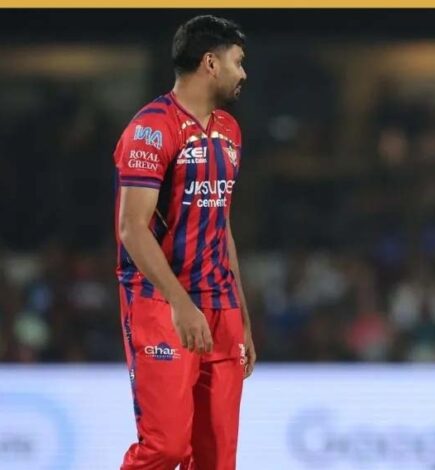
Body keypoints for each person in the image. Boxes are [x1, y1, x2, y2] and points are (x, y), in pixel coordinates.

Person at [113, 15, 255, 470]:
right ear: (210, 63)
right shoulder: (150, 129)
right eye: (238, 62)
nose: (243, 73)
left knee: (217, 460)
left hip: (221, 308)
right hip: (161, 303)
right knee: (166, 448)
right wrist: (180, 303)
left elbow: (221, 223)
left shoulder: (230, 131)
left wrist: (242, 317)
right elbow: (132, 228)